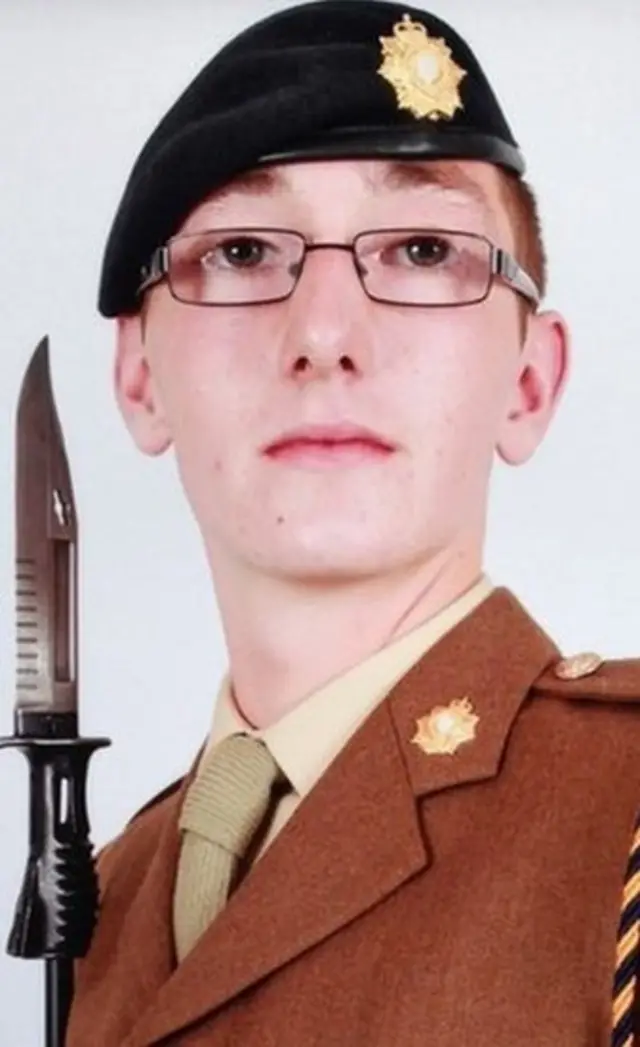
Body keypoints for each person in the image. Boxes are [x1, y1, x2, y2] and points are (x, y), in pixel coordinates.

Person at [66, 2, 640, 1045]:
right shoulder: (102, 903)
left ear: (530, 382)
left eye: (423, 248)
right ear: (140, 377)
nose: (324, 332)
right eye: (242, 251)